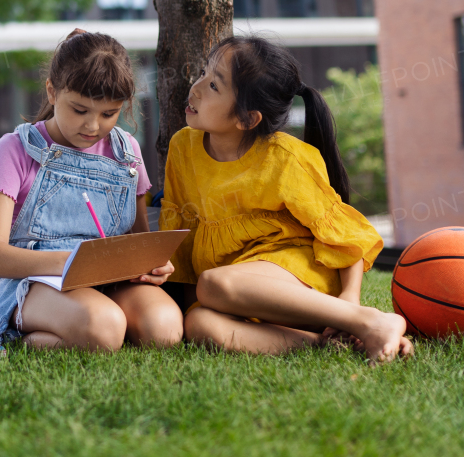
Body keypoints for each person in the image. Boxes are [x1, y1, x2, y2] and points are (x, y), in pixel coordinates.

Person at [160, 36, 413, 363]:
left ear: (247, 119)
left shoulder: (287, 158)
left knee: (213, 285)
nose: (195, 88)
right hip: (242, 296)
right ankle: (330, 343)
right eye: (203, 73)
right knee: (199, 324)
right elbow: (183, 231)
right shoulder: (183, 147)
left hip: (299, 279)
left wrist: (350, 302)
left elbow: (347, 236)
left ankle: (368, 320)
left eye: (214, 86)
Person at [0, 30, 182, 351]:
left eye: (108, 114)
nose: (92, 126)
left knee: (164, 329)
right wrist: (73, 262)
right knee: (104, 327)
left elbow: (137, 239)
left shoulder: (127, 151)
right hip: (35, 283)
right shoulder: (16, 148)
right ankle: (20, 339)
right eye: (80, 110)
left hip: (110, 280)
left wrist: (152, 264)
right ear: (52, 92)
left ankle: (87, 333)